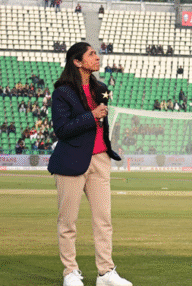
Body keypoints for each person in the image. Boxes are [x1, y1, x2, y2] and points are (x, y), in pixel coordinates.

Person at [47, 43, 132, 286]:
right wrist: (91, 116)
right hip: (71, 161)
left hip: (100, 160)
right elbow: (62, 130)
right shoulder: (62, 92)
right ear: (77, 62)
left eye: (96, 53)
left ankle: (106, 273)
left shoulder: (102, 88)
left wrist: (105, 148)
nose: (97, 57)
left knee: (104, 220)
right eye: (91, 54)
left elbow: (103, 124)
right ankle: (70, 272)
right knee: (68, 222)